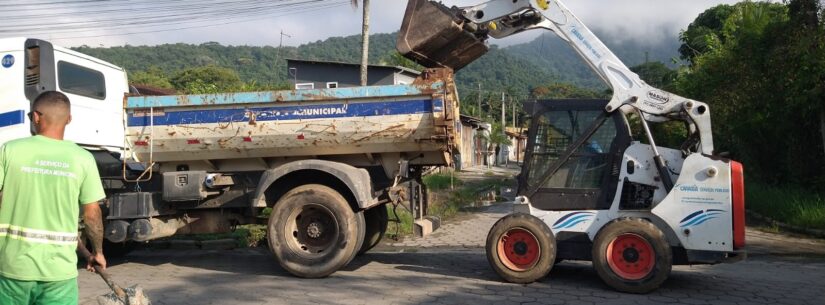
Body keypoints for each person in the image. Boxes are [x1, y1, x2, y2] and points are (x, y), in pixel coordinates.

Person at [0, 91, 107, 305]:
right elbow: (92, 214)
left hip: (13, 270)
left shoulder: (9, 150)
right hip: (59, 273)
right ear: (69, 119)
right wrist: (98, 252)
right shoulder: (83, 159)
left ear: (37, 117)